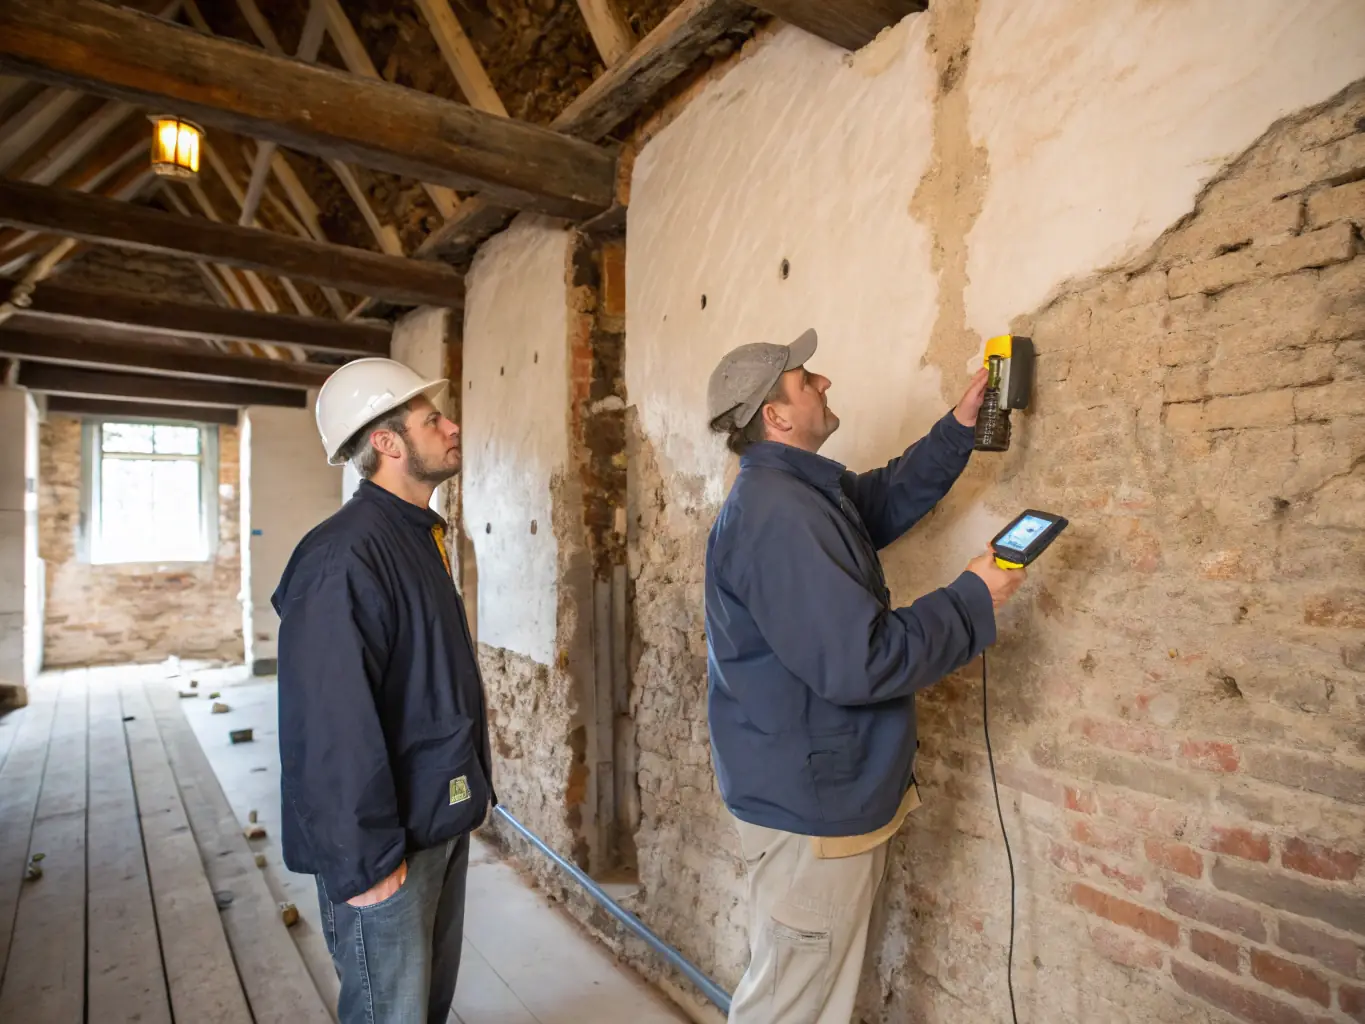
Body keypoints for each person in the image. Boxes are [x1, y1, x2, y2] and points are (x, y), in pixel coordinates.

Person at [703, 329, 1025, 1024]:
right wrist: (970, 599)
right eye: (804, 379)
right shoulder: (778, 515)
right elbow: (861, 661)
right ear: (776, 416)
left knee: (807, 993)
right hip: (810, 803)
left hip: (813, 789)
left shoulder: (798, 493)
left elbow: (872, 507)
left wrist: (958, 430)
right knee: (791, 1007)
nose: (822, 384)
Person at [273, 357, 494, 1024]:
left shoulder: (413, 536)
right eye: (433, 420)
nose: (452, 426)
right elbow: (329, 724)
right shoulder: (344, 556)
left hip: (435, 820)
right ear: (387, 442)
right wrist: (366, 862)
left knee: (422, 1010)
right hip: (386, 848)